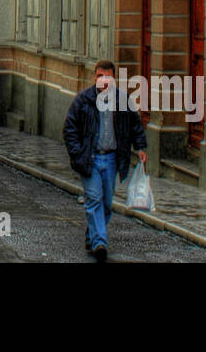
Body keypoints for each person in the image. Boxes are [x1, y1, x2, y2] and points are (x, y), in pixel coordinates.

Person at [63, 59, 147, 263]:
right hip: (90, 158)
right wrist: (77, 153)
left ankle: (91, 235)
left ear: (114, 79)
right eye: (100, 76)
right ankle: (100, 242)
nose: (103, 80)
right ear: (94, 77)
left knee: (107, 204)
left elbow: (135, 125)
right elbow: (70, 129)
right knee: (93, 199)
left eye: (108, 76)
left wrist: (140, 147)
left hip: (111, 158)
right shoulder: (83, 99)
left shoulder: (122, 101)